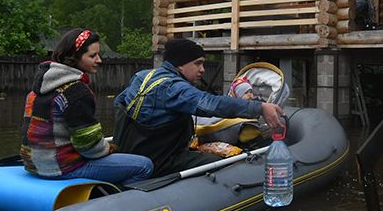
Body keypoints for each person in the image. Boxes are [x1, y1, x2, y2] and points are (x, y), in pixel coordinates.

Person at [114, 38, 284, 177]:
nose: (203, 69)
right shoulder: (174, 88)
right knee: (216, 162)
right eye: (198, 63)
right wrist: (259, 107)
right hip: (160, 160)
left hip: (130, 154)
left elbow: (119, 102)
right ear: (180, 64)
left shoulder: (142, 76)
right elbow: (210, 104)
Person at [20, 28, 153, 185]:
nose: (99, 60)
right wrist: (111, 148)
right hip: (63, 167)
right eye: (92, 56)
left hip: (33, 164)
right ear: (74, 58)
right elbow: (89, 147)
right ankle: (113, 203)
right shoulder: (76, 92)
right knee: (144, 165)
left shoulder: (38, 88)